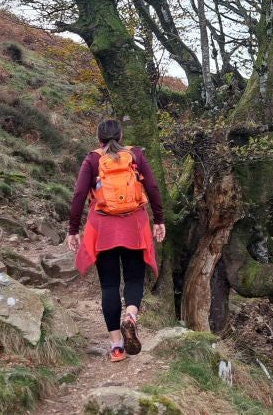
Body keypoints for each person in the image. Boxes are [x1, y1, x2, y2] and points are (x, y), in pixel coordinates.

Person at [66, 118, 166, 362]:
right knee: (134, 279)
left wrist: (73, 229)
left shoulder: (92, 159)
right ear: (120, 136)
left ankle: (117, 347)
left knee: (109, 286)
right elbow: (152, 187)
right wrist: (159, 219)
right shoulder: (136, 156)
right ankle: (130, 316)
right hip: (134, 225)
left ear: (99, 138)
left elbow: (79, 194)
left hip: (103, 229)